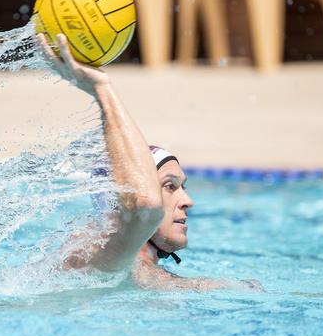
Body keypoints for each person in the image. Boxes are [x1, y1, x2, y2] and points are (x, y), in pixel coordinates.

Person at [36, 33, 262, 292]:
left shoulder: (136, 270)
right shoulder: (96, 256)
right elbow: (145, 206)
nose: (188, 201)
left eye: (181, 186)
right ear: (120, 200)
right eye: (169, 186)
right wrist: (102, 89)